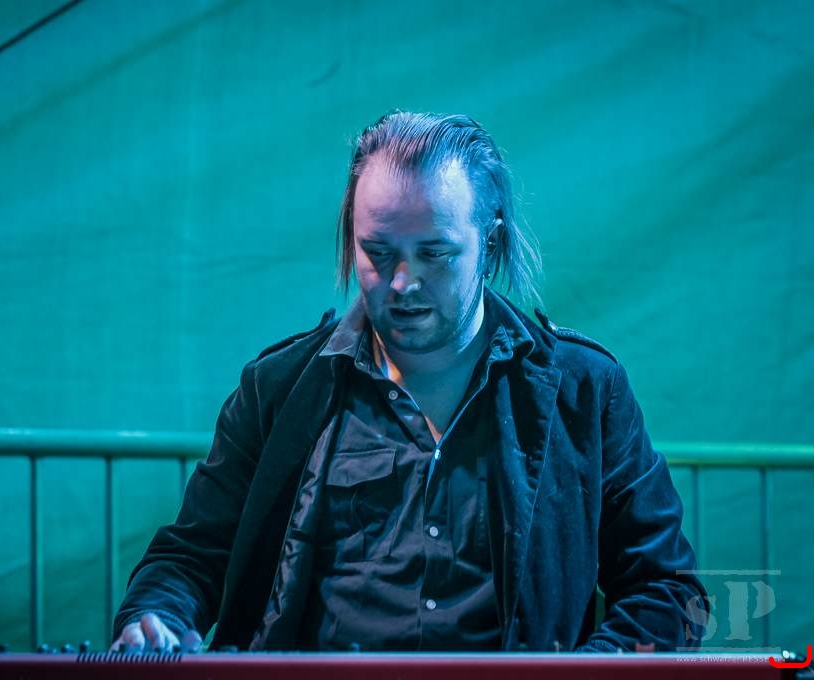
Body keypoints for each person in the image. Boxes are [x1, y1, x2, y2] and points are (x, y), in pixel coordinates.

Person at [111, 111, 708, 653]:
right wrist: (155, 615)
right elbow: (190, 556)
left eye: (434, 254)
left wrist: (584, 676)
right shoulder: (279, 389)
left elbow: (669, 590)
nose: (402, 283)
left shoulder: (585, 391)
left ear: (490, 241)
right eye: (378, 252)